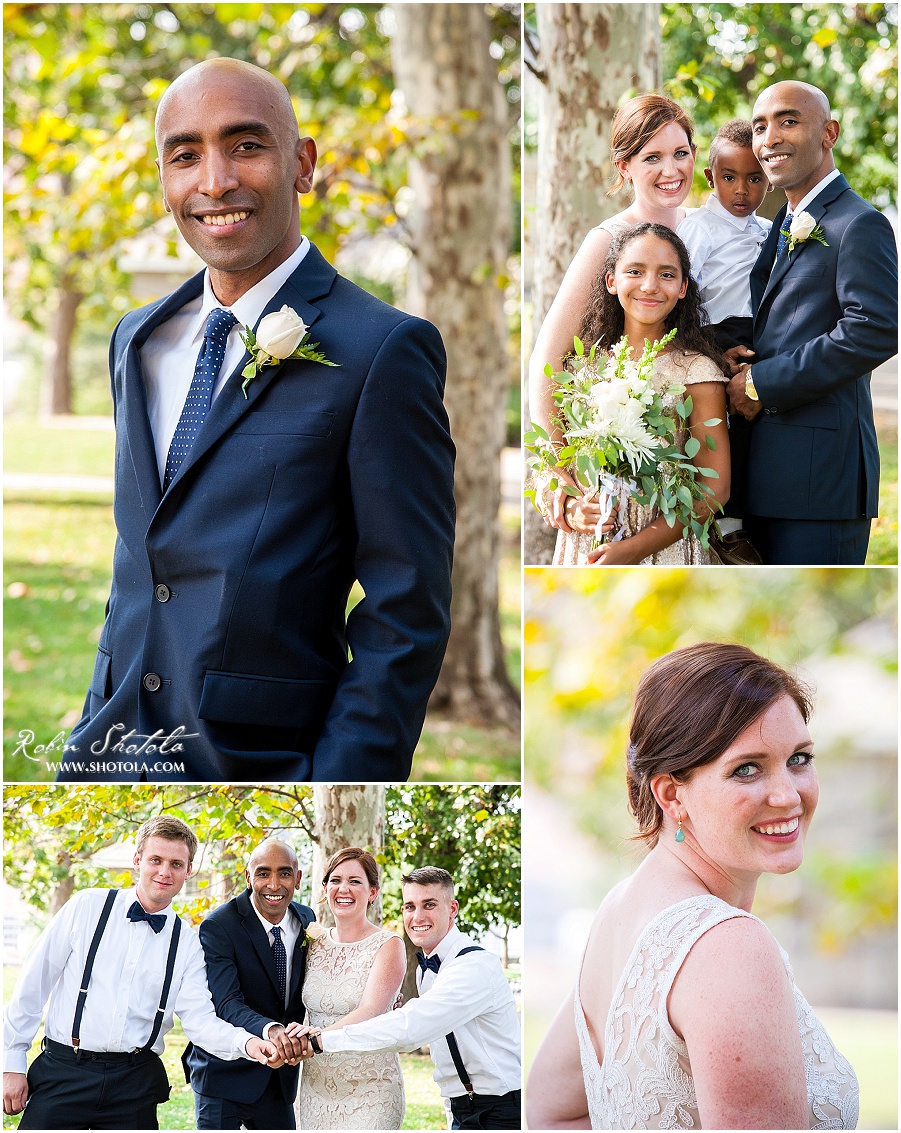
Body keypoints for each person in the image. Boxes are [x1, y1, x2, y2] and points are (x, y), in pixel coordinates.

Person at [61, 57, 455, 783]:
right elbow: (138, 568)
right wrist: (92, 727)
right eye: (185, 155)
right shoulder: (135, 339)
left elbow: (406, 611)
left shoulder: (382, 350)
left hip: (265, 757)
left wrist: (338, 778)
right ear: (164, 180)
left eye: (245, 145)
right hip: (110, 753)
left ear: (302, 164)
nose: (214, 181)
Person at [526, 642, 859, 1130]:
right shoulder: (727, 944)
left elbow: (550, 1113)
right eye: (746, 769)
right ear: (671, 794)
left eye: (800, 759)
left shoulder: (623, 909)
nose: (788, 794)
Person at [2, 816, 276, 1130]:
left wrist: (248, 1043)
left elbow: (200, 1019)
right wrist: (12, 1064)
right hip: (64, 1072)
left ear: (188, 871)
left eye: (176, 863)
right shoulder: (86, 907)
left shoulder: (187, 941)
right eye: (155, 860)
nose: (164, 872)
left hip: (134, 1084)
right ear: (137, 860)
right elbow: (32, 987)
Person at [725, 80, 897, 565]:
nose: (769, 138)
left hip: (821, 483)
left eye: (788, 121)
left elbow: (875, 329)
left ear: (829, 133)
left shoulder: (858, 223)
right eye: (760, 127)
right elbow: (771, 323)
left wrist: (761, 382)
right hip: (764, 478)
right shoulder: (781, 222)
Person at [529, 93, 697, 537]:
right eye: (652, 157)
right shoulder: (607, 241)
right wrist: (562, 473)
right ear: (625, 169)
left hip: (701, 435)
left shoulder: (706, 228)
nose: (671, 170)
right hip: (630, 454)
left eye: (681, 153)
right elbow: (546, 362)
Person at [547, 223, 730, 566]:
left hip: (663, 549)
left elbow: (714, 489)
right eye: (635, 271)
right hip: (585, 547)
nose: (650, 286)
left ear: (682, 287)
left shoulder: (698, 373)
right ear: (611, 281)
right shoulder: (582, 369)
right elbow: (552, 465)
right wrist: (570, 509)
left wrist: (632, 550)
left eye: (666, 274)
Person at [289, 866, 521, 1130]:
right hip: (461, 1105)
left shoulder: (474, 967)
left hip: (501, 1108)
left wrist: (320, 1040)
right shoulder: (427, 968)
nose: (417, 916)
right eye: (410, 906)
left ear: (453, 909)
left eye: (429, 905)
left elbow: (411, 1027)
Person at [677, 119, 772, 528]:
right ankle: (727, 522)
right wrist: (711, 351)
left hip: (764, 334)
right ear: (710, 176)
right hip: (718, 333)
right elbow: (686, 292)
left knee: (758, 424)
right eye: (729, 177)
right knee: (722, 426)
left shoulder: (771, 230)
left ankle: (756, 508)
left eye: (754, 178)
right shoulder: (699, 228)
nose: (741, 189)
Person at [184, 838, 316, 1129]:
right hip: (223, 1075)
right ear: (248, 877)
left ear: (298, 878)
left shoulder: (306, 919)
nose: (273, 884)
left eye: (283, 873)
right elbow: (227, 1002)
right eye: (263, 873)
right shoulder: (220, 926)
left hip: (279, 1076)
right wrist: (272, 1030)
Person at [298, 847, 407, 1129]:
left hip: (371, 1089)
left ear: (373, 892)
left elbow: (371, 1010)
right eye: (335, 880)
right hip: (315, 1088)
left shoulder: (388, 944)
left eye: (355, 881)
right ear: (325, 888)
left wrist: (311, 1042)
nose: (343, 888)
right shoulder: (313, 942)